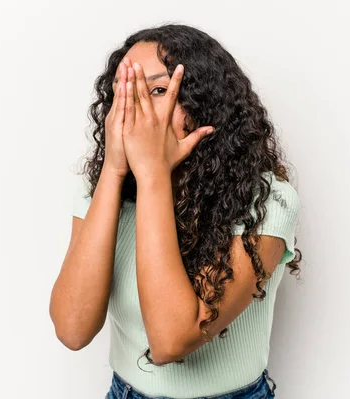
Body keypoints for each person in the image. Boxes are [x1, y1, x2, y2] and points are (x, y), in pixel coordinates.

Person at [50, 23, 302, 399]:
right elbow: (72, 329)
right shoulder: (102, 188)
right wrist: (115, 171)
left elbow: (171, 340)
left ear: (205, 104)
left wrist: (154, 175)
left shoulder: (268, 199)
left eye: (157, 90)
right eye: (126, 93)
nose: (138, 111)